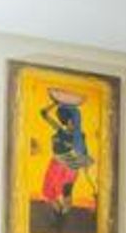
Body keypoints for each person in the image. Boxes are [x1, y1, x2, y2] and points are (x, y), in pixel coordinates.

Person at [37, 88, 95, 222]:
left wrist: (84, 166)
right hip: (55, 164)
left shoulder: (78, 136)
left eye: (72, 121)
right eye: (68, 121)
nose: (70, 123)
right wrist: (55, 103)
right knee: (49, 193)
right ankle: (60, 217)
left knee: (65, 193)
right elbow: (43, 113)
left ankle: (62, 218)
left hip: (67, 166)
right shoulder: (60, 130)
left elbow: (84, 151)